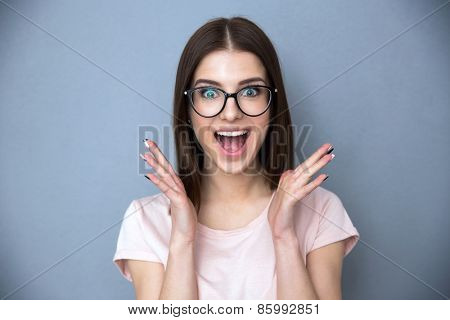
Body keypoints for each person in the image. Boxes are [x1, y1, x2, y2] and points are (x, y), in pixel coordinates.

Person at [113, 16, 359, 300]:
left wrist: (283, 236)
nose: (231, 113)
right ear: (188, 109)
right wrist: (182, 241)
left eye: (251, 91)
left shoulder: (322, 210)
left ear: (273, 104)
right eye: (209, 92)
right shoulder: (146, 220)